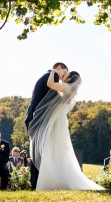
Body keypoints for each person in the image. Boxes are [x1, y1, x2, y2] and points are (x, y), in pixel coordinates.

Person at [28, 69, 104, 191]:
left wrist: (53, 71)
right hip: (59, 121)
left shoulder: (67, 87)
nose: (64, 76)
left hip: (57, 122)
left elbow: (51, 84)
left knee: (52, 149)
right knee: (57, 151)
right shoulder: (71, 90)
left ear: (70, 79)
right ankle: (54, 179)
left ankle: (53, 180)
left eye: (66, 75)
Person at [25, 62, 69, 190]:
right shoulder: (52, 76)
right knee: (38, 151)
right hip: (37, 118)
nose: (63, 77)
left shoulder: (46, 76)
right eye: (64, 73)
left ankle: (38, 184)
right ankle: (37, 185)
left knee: (39, 150)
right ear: (59, 68)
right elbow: (53, 99)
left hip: (34, 116)